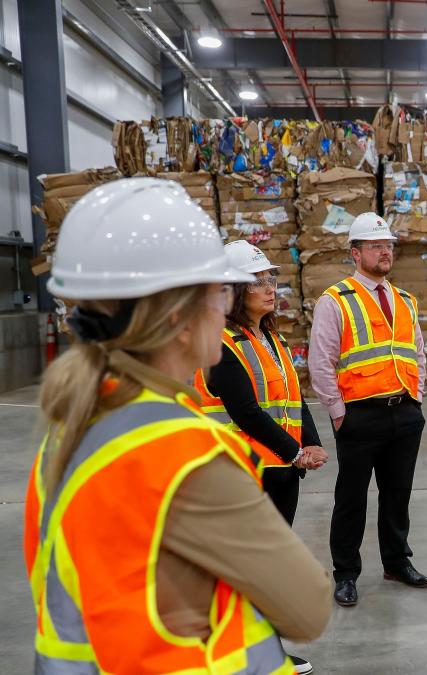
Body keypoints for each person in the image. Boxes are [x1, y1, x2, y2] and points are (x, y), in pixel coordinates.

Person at [23, 178, 332, 674]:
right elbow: (309, 607)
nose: (225, 305)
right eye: (218, 292)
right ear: (180, 317)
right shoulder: (185, 452)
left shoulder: (69, 431)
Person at [194, 240, 329, 674]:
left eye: (272, 279)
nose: (270, 288)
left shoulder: (271, 336)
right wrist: (295, 454)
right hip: (245, 472)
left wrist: (312, 442)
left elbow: (294, 396)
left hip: (280, 470)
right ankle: (249, 652)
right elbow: (246, 412)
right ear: (232, 291)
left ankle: (254, 649)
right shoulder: (221, 342)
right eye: (259, 281)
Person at [309, 212, 427, 608]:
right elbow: (321, 362)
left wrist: (418, 399)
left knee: (398, 494)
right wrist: (338, 412)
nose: (385, 252)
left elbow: (417, 354)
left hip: (404, 413)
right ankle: (346, 572)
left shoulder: (405, 300)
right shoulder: (336, 300)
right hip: (359, 416)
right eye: (376, 246)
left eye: (389, 246)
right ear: (355, 253)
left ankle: (397, 562)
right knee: (352, 498)